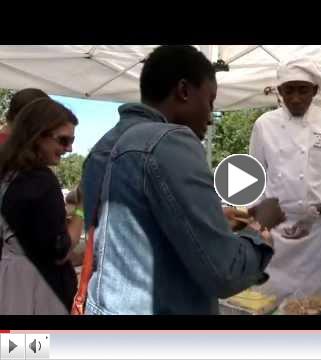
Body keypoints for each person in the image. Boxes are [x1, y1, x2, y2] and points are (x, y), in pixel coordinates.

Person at [83, 45, 285, 315]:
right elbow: (225, 272)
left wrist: (211, 218)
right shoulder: (169, 141)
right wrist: (261, 226)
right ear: (184, 91)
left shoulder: (102, 147)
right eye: (210, 101)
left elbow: (134, 234)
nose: (211, 119)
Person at [248, 58, 321, 301]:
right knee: (271, 302)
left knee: (317, 303)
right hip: (275, 232)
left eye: (303, 90)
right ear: (279, 92)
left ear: (315, 91)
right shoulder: (264, 125)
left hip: (317, 233)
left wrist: (317, 210)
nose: (296, 98)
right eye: (289, 90)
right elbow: (254, 178)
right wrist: (261, 222)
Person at [0, 97, 83, 314]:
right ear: (38, 136)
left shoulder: (8, 173)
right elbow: (61, 250)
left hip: (10, 282)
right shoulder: (41, 181)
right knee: (37, 348)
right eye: (63, 140)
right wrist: (82, 209)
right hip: (38, 290)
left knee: (15, 347)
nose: (69, 148)